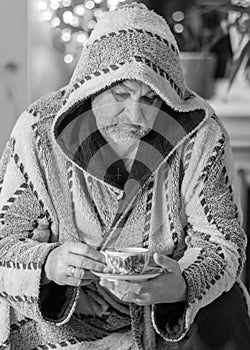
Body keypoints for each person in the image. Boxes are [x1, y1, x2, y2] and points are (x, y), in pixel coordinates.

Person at [0, 2, 249, 349]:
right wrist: (50, 264)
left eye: (151, 98)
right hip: (71, 319)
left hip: (167, 315)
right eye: (120, 94)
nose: (136, 115)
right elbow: (4, 242)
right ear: (91, 87)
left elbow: (223, 242)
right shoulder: (37, 133)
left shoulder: (200, 132)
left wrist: (180, 286)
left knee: (227, 304)